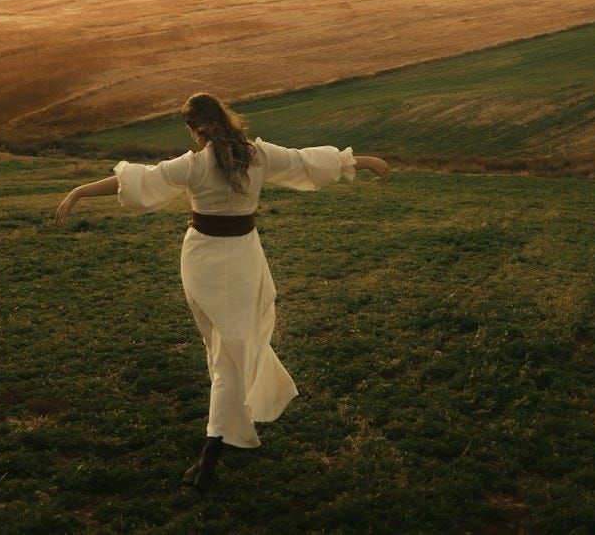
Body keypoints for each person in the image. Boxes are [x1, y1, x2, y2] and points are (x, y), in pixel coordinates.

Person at [54, 92, 389, 489]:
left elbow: (139, 179)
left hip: (206, 259)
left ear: (195, 130)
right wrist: (361, 161)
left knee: (226, 351)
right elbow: (305, 161)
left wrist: (79, 190)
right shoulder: (257, 156)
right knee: (227, 350)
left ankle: (215, 443)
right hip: (238, 258)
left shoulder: (195, 164)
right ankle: (221, 436)